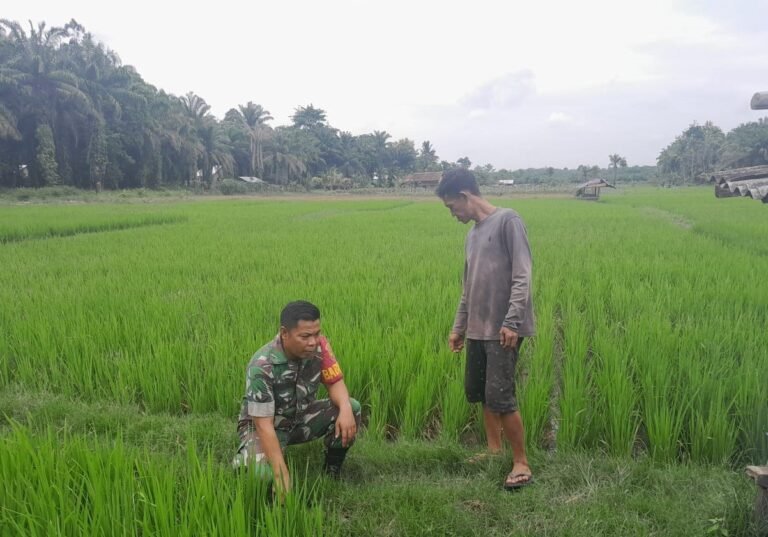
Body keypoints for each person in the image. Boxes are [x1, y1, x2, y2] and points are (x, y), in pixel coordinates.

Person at [436, 168, 536, 490]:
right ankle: (494, 450)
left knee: (501, 396)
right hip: (478, 329)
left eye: (452, 207)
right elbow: (468, 288)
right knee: (481, 393)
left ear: (465, 196)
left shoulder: (508, 221)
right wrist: (458, 327)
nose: (453, 215)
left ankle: (521, 462)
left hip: (503, 329)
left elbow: (523, 276)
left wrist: (512, 321)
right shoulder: (472, 235)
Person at [233, 300, 361, 494]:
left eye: (317, 333)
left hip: (299, 419)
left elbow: (334, 382)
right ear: (285, 333)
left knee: (352, 407)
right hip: (267, 426)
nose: (313, 342)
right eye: (305, 336)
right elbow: (263, 425)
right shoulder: (262, 366)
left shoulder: (320, 347)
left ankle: (331, 472)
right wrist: (280, 473)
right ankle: (249, 467)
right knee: (260, 475)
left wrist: (344, 408)